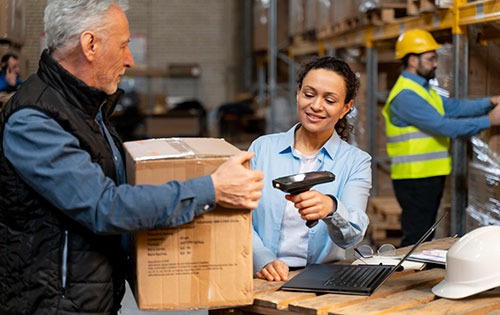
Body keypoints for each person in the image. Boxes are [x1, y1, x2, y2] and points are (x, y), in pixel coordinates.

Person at [0, 1, 264, 314]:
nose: (130, 59)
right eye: (124, 45)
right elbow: (104, 206)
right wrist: (211, 189)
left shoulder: (87, 110)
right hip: (53, 306)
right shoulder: (34, 120)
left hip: (90, 301)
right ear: (90, 45)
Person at [250, 56, 372, 282]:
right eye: (309, 94)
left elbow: (353, 237)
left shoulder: (356, 162)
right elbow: (241, 218)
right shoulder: (262, 148)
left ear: (346, 108)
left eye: (330, 100)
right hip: (261, 277)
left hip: (322, 281)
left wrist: (332, 208)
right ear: (298, 94)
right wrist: (263, 259)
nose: (316, 106)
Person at [383, 29, 500, 247]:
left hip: (427, 176)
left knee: (423, 236)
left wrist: (489, 101)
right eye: (430, 59)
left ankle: (418, 277)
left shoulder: (422, 90)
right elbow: (444, 127)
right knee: (416, 240)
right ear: (412, 60)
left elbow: (453, 107)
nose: (436, 64)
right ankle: (408, 279)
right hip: (415, 178)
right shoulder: (406, 96)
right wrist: (489, 121)